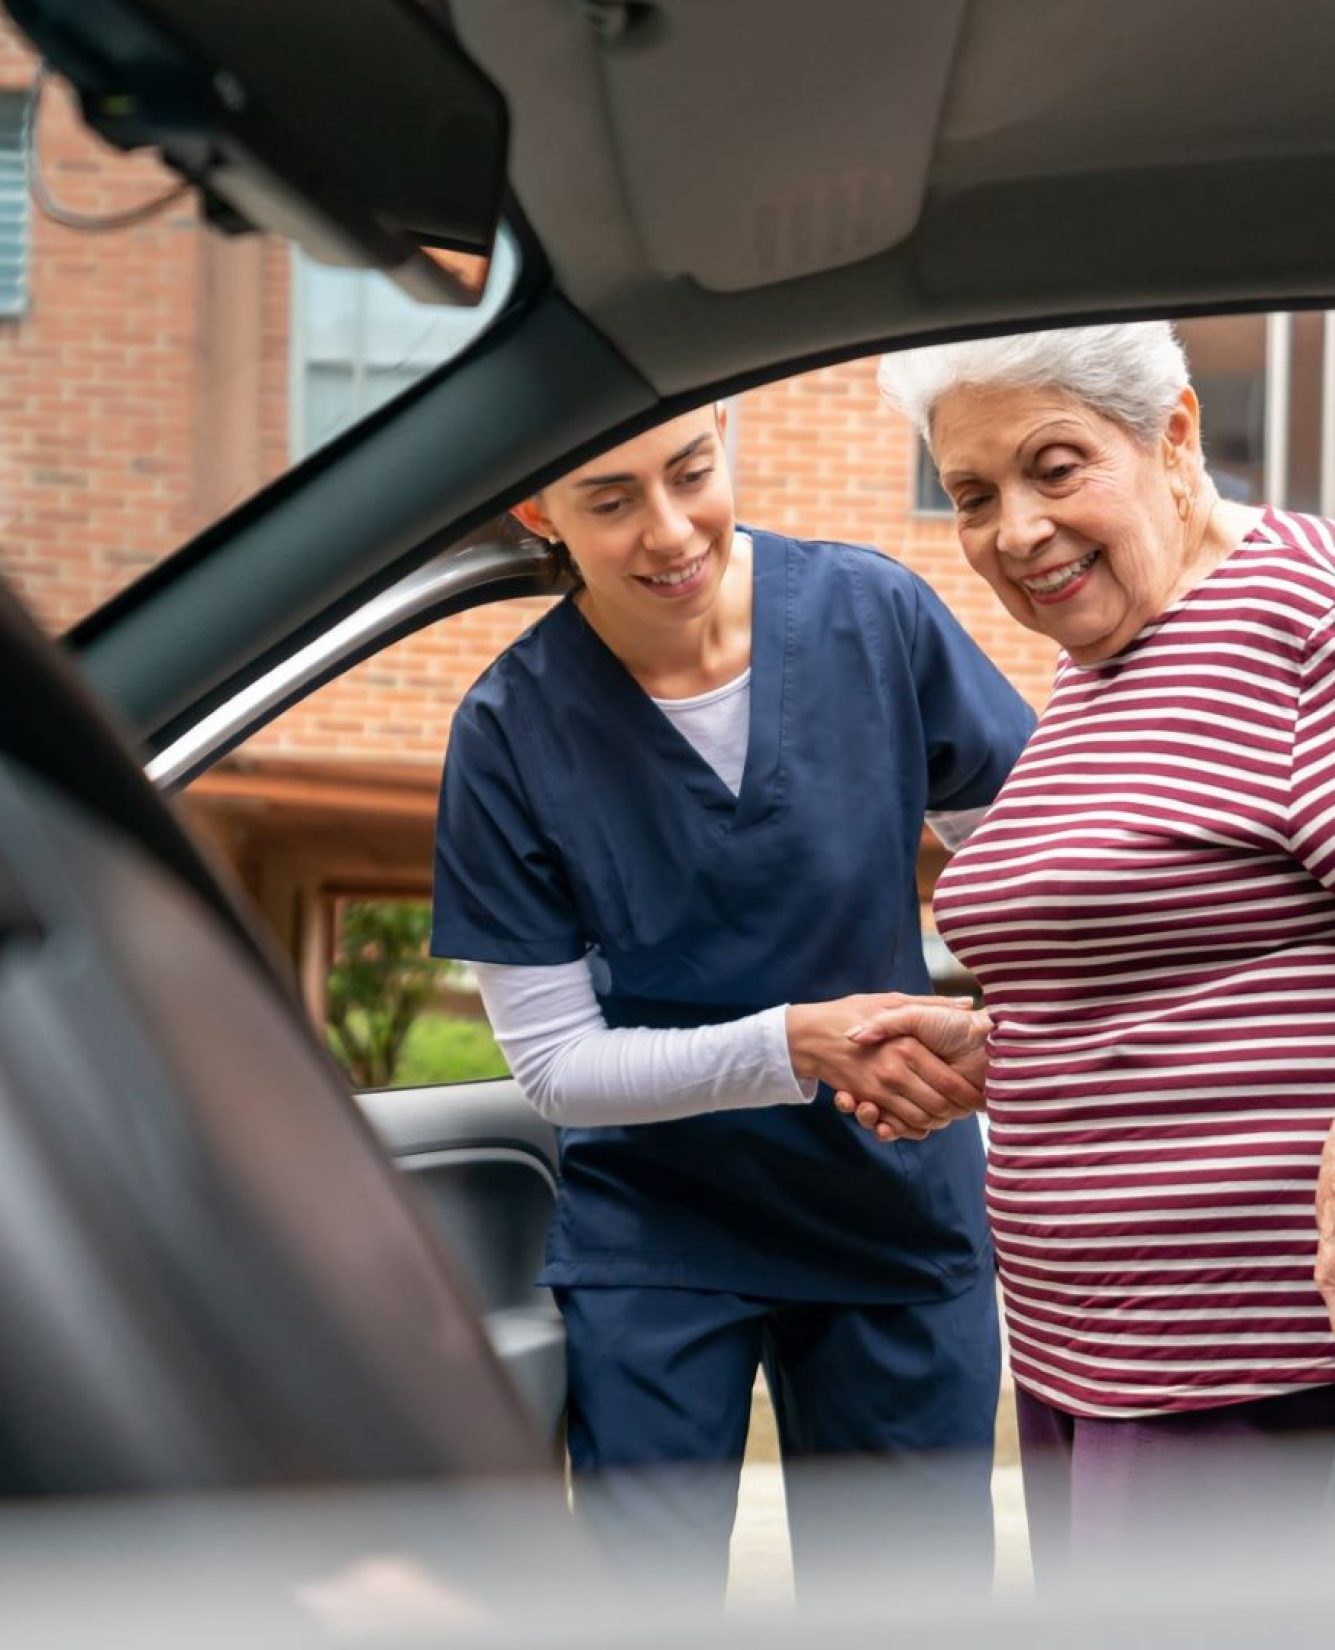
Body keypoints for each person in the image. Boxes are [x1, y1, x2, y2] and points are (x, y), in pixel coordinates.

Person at [429, 402, 1034, 1598]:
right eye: (610, 501)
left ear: (721, 432)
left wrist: (993, 1035)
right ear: (537, 511)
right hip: (660, 1228)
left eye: (691, 472)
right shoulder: (508, 732)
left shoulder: (874, 619)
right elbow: (556, 1068)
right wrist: (795, 1046)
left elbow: (1041, 882)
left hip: (891, 1211)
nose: (670, 531)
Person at [855, 323, 1335, 1582]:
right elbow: (1198, 946)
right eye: (972, 495)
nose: (1016, 529)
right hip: (1089, 1353)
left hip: (1250, 1359)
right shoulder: (1100, 665)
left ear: (1174, 434)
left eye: (1055, 467)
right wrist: (1005, 1037)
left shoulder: (1303, 612)